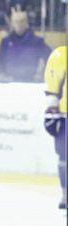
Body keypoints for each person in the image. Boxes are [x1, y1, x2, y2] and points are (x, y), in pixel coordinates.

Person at [0, 8, 52, 82]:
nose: (19, 24)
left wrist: (41, 74)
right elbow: (0, 60)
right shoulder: (6, 41)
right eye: (16, 22)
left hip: (30, 82)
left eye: (22, 21)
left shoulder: (37, 41)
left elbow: (50, 58)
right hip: (9, 81)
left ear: (26, 23)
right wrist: (0, 73)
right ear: (12, 24)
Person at [43, 45, 67, 210]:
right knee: (65, 157)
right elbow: (53, 86)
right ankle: (66, 194)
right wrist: (52, 109)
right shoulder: (61, 54)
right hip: (66, 116)